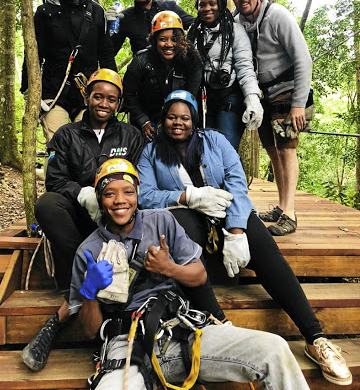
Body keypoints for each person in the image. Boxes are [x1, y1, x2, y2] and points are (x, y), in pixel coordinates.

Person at [136, 90, 352, 387]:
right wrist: (188, 196)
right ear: (163, 120)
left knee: (264, 248)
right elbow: (144, 195)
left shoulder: (215, 141)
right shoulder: (151, 151)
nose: (178, 123)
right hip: (188, 218)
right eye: (172, 117)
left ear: (194, 120)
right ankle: (218, 322)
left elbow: (236, 182)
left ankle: (316, 338)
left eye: (184, 117)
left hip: (227, 211)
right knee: (178, 229)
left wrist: (237, 231)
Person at [69, 157, 310, 390]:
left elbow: (199, 276)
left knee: (274, 349)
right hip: (127, 345)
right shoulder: (88, 251)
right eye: (110, 193)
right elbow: (91, 331)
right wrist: (89, 292)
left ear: (137, 193)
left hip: (180, 330)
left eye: (128, 192)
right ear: (99, 198)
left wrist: (169, 268)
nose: (120, 200)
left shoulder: (161, 222)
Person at [21, 69, 145, 372]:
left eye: (111, 99)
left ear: (119, 103)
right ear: (87, 97)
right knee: (47, 205)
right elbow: (56, 181)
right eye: (98, 96)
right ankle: (84, 276)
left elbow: (142, 181)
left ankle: (67, 311)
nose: (104, 103)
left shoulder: (130, 135)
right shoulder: (67, 134)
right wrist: (84, 193)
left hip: (120, 216)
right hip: (83, 216)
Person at [227, 0, 313, 235]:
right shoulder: (238, 21)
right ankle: (280, 204)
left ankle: (289, 213)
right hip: (264, 94)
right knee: (273, 151)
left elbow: (303, 59)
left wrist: (299, 103)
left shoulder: (277, 16)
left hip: (289, 90)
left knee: (287, 148)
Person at [20, 0, 117, 144]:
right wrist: (28, 89)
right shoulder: (44, 12)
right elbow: (33, 54)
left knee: (89, 144)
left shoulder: (96, 11)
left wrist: (114, 88)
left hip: (88, 90)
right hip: (53, 90)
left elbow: (105, 54)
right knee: (58, 143)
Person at [187, 0, 263, 150]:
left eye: (212, 3)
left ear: (221, 4)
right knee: (202, 151)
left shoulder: (236, 31)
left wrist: (252, 100)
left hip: (229, 99)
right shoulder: (193, 33)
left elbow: (245, 67)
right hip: (204, 99)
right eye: (202, 4)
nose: (207, 8)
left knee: (224, 151)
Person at [122, 10, 202, 141]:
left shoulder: (192, 61)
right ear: (154, 40)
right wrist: (143, 121)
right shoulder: (141, 61)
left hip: (178, 123)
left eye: (174, 40)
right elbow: (128, 93)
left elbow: (191, 97)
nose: (169, 45)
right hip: (147, 121)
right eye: (163, 39)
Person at [108, 0, 194, 56]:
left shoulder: (168, 7)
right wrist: (106, 27)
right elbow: (109, 52)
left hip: (173, 66)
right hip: (142, 67)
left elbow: (195, 25)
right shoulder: (125, 17)